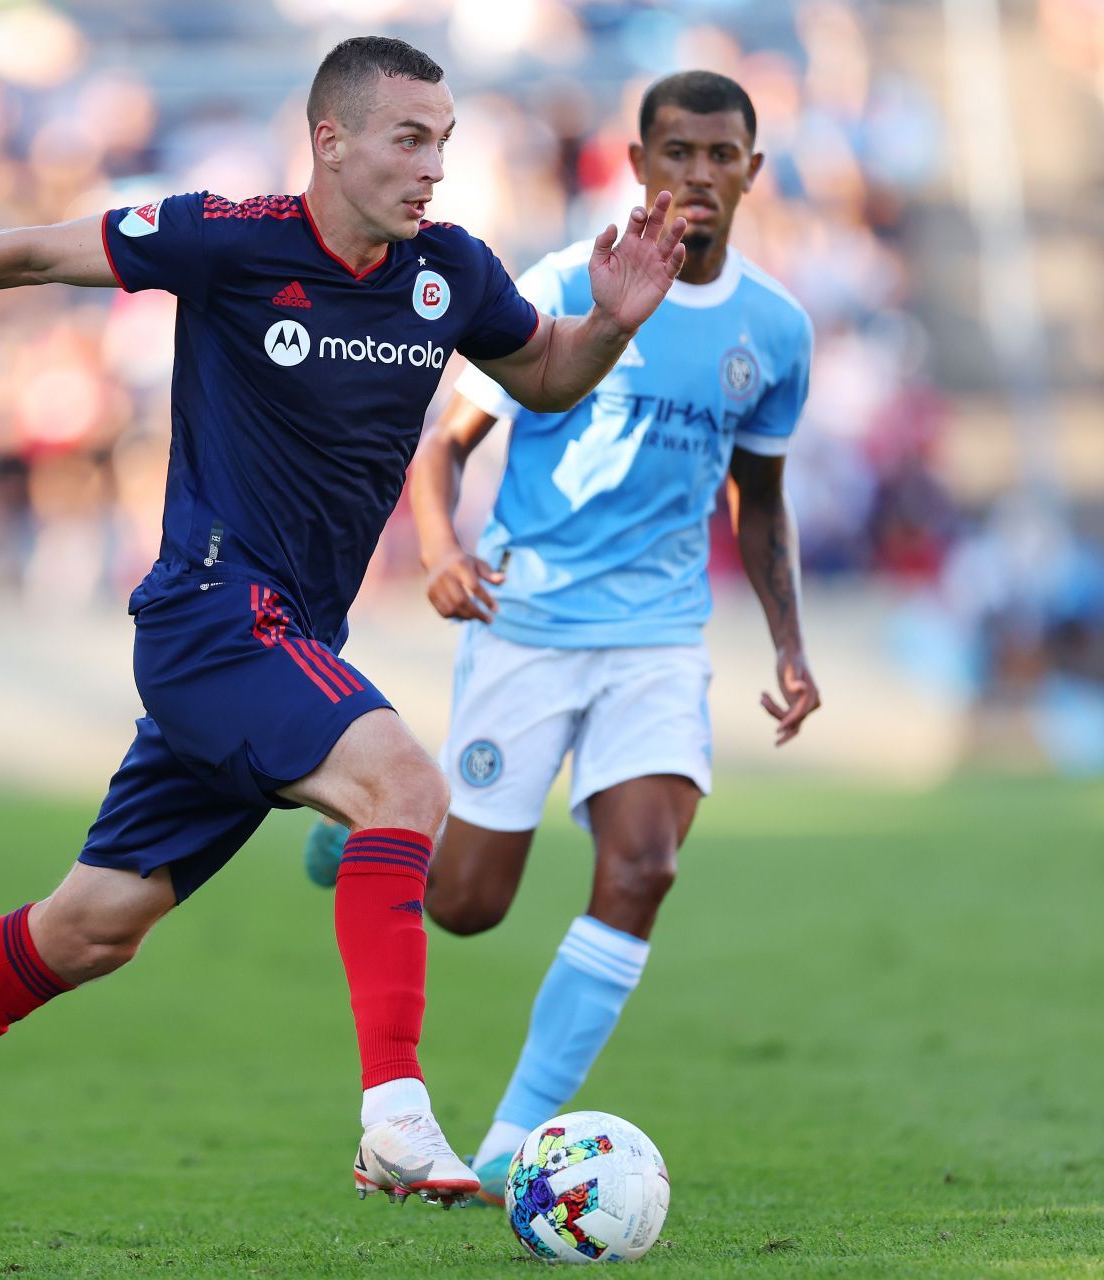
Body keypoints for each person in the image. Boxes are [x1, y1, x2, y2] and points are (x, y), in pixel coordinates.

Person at [0, 36, 687, 1257]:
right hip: (212, 613)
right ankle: (396, 1112)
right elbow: (33, 250)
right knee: (404, 781)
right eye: (412, 139)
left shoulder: (449, 271)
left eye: (446, 141)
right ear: (332, 140)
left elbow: (548, 376)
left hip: (285, 638)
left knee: (91, 925)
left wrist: (609, 323)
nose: (434, 168)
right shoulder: (230, 238)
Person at [301, 70, 820, 1205]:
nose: (696, 172)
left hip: (659, 638)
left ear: (751, 171)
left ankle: (510, 1143)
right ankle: (361, 841)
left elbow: (762, 499)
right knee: (470, 903)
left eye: (719, 154)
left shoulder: (775, 329)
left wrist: (788, 642)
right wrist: (441, 551)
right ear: (636, 165)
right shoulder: (559, 284)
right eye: (675, 151)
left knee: (645, 864)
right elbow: (445, 446)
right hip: (528, 625)